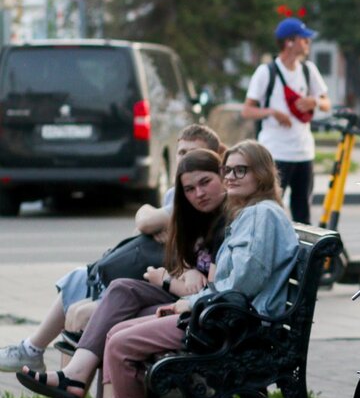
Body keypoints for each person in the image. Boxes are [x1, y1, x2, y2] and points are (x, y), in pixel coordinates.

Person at [54, 141, 299, 398]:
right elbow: (231, 284)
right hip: (222, 316)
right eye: (228, 170)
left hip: (231, 325)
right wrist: (187, 300)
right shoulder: (252, 214)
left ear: (263, 173)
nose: (231, 177)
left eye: (241, 170)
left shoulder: (261, 215)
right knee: (116, 331)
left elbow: (240, 286)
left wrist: (188, 302)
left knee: (121, 343)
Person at [14, 150, 229, 398]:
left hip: (202, 315)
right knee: (118, 290)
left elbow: (211, 290)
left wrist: (166, 280)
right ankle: (76, 389)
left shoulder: (225, 222)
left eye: (205, 182)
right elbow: (146, 220)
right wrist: (182, 270)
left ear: (222, 175)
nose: (199, 193)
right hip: (181, 301)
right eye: (190, 188)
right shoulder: (195, 216)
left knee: (103, 320)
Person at [0, 125, 222, 376]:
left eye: (193, 153)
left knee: (83, 312)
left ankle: (59, 386)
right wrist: (159, 222)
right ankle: (45, 371)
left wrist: (163, 228)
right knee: (78, 285)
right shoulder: (177, 194)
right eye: (181, 153)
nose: (185, 160)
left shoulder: (199, 199)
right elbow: (144, 218)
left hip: (167, 287)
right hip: (151, 278)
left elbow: (153, 226)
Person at [241, 17, 331, 224]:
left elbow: (327, 103)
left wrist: (314, 101)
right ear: (290, 42)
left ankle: (302, 255)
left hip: (303, 152)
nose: (308, 43)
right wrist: (272, 112)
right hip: (275, 152)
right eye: (304, 39)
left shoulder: (308, 70)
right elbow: (247, 110)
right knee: (271, 209)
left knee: (302, 212)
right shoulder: (266, 72)